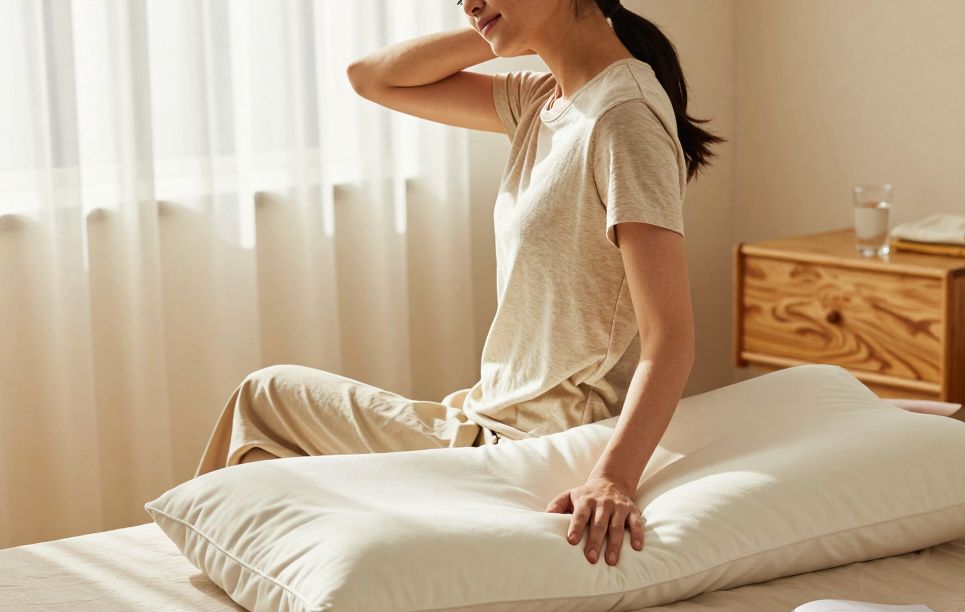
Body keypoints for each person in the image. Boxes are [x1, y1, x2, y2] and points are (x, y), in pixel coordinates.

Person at [194, 0, 725, 568]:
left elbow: (670, 338)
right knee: (273, 415)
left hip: (535, 447)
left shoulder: (623, 118)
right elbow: (371, 78)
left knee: (266, 399)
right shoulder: (543, 102)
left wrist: (613, 478)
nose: (467, 1)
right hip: (481, 423)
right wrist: (501, 23)